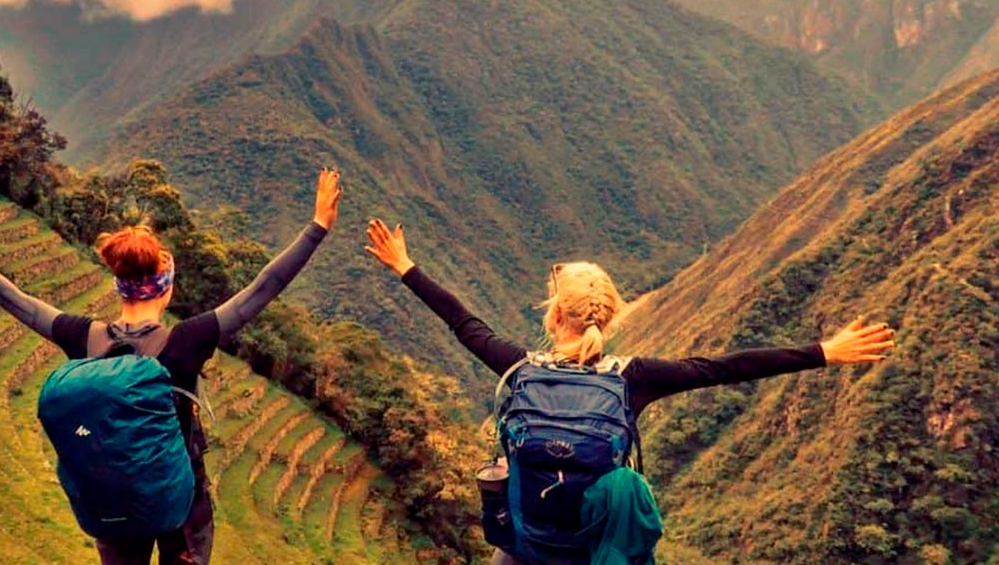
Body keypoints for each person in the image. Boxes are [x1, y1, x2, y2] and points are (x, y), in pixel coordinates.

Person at [363, 219, 896, 565]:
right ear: (612, 316)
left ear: (553, 314)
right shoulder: (631, 379)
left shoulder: (520, 369)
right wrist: (824, 351)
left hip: (524, 549)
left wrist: (405, 266)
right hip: (598, 550)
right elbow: (725, 368)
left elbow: (462, 321)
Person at [0, 169, 342, 565]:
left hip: (111, 498)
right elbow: (262, 288)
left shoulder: (84, 336)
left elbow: (15, 300)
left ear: (120, 288)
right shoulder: (187, 341)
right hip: (181, 502)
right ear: (165, 289)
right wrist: (317, 226)